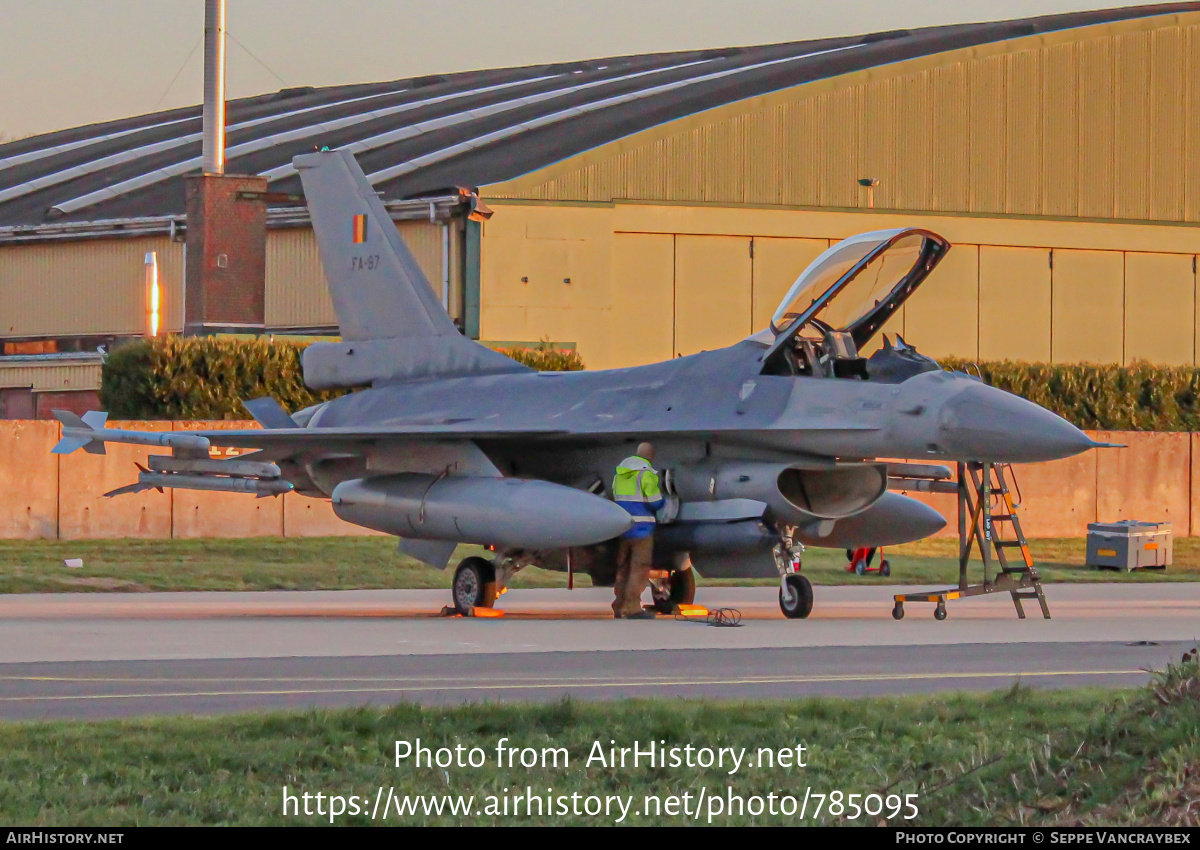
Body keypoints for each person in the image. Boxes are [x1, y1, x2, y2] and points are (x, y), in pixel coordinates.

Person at [610, 442, 665, 619]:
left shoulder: (619, 474)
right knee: (639, 568)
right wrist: (665, 501)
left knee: (623, 568)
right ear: (650, 456)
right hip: (642, 529)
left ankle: (619, 606)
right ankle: (633, 608)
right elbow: (655, 501)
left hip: (623, 527)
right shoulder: (646, 474)